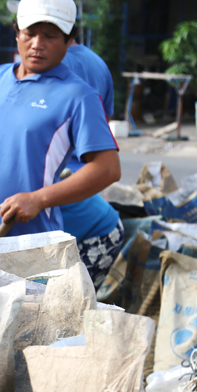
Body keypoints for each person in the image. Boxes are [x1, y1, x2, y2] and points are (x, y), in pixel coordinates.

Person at [0, 0, 120, 238]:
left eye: (50, 36)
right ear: (16, 32)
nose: (38, 44)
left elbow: (108, 169)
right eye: (30, 33)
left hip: (32, 245)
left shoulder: (79, 96)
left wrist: (38, 199)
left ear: (69, 41)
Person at [60, 41, 123, 289]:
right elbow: (102, 128)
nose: (36, 44)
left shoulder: (46, 69)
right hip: (88, 178)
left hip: (68, 182)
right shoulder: (98, 63)